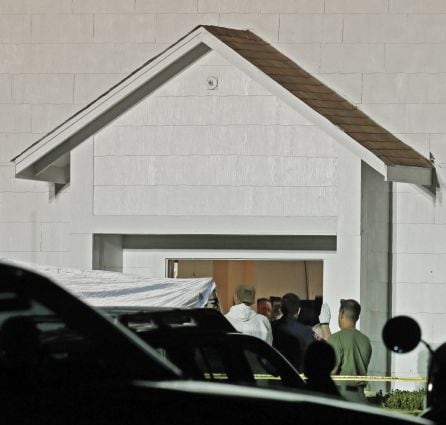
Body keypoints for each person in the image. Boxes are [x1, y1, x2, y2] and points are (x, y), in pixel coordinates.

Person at [328, 299, 372, 403]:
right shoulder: (365, 340)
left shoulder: (335, 339)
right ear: (357, 317)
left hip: (341, 398)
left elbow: (331, 370)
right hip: (361, 397)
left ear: (342, 313)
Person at [271, 293, 315, 372]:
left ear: (281, 308)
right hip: (298, 377)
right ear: (298, 309)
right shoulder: (307, 331)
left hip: (277, 375)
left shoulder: (272, 327)